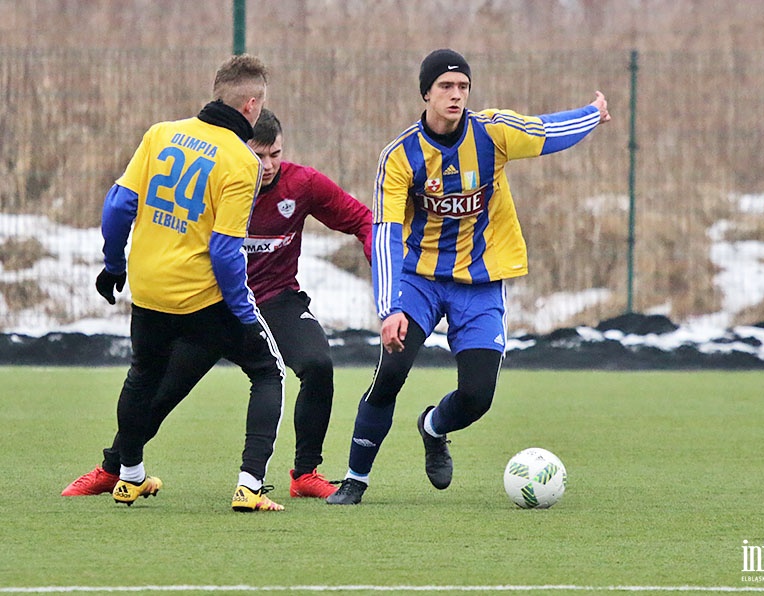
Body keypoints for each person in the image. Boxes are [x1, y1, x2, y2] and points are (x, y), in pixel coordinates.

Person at [326, 49, 611, 505]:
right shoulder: (399, 157)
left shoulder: (492, 133)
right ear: (426, 93)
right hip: (418, 280)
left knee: (478, 395)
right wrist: (390, 307)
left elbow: (545, 131)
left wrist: (592, 115)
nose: (456, 95)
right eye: (445, 86)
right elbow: (384, 233)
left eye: (463, 87)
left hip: (479, 283)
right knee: (391, 372)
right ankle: (355, 480)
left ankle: (433, 427)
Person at [62, 109, 373, 501]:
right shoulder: (216, 176)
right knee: (160, 391)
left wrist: (375, 253)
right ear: (239, 150)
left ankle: (305, 473)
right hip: (214, 305)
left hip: (276, 301)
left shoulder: (303, 183)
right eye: (258, 155)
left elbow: (363, 218)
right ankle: (114, 468)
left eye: (275, 154)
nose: (268, 165)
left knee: (317, 364)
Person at [77, 54, 287, 512]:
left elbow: (117, 208)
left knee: (142, 376)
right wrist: (244, 311)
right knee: (268, 372)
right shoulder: (241, 160)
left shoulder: (161, 133)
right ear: (251, 106)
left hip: (148, 288)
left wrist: (114, 266)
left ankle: (130, 477)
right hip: (200, 298)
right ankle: (249, 487)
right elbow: (225, 249)